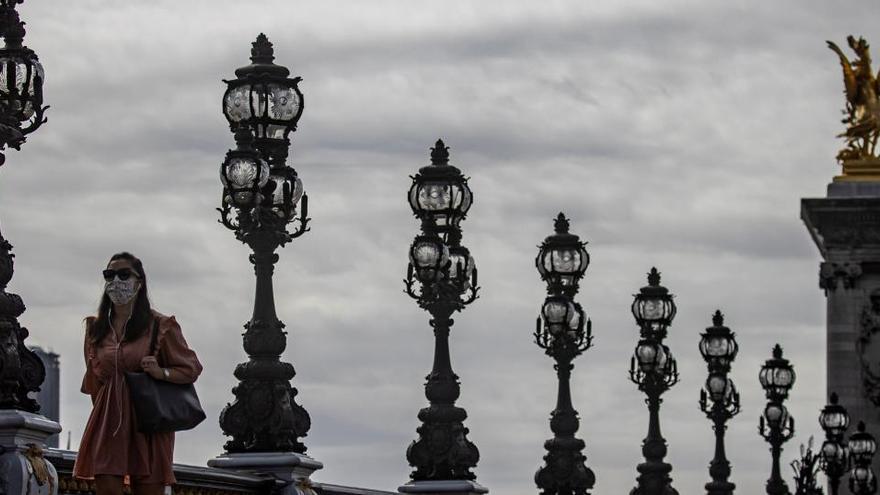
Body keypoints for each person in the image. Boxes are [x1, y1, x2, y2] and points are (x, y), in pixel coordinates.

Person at [73, 252, 203, 495]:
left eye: (124, 275)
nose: (116, 281)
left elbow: (190, 368)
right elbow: (94, 383)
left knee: (148, 488)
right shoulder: (95, 328)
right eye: (109, 275)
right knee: (107, 487)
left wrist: (160, 372)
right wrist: (104, 415)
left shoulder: (160, 326)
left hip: (147, 419)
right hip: (108, 421)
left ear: (139, 282)